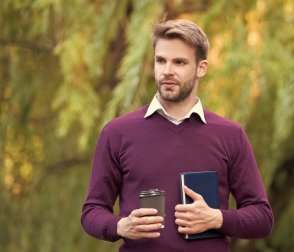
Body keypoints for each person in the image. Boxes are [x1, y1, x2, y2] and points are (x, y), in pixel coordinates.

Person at [81, 19, 274, 252]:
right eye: (160, 60)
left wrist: (217, 219)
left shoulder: (230, 135)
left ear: (201, 68)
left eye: (179, 62)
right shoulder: (117, 132)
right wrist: (120, 225)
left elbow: (262, 218)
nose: (167, 71)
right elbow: (92, 211)